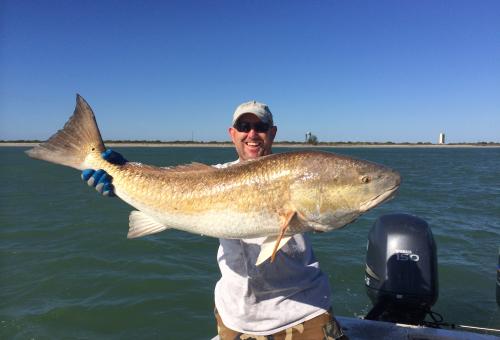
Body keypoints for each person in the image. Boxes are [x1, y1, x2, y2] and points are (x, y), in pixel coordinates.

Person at [82, 101, 347, 339]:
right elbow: (163, 184)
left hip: (303, 308)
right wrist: (121, 172)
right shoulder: (213, 176)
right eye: (244, 126)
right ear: (232, 134)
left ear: (273, 132)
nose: (252, 134)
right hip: (237, 316)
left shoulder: (296, 171)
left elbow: (331, 210)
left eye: (261, 126)